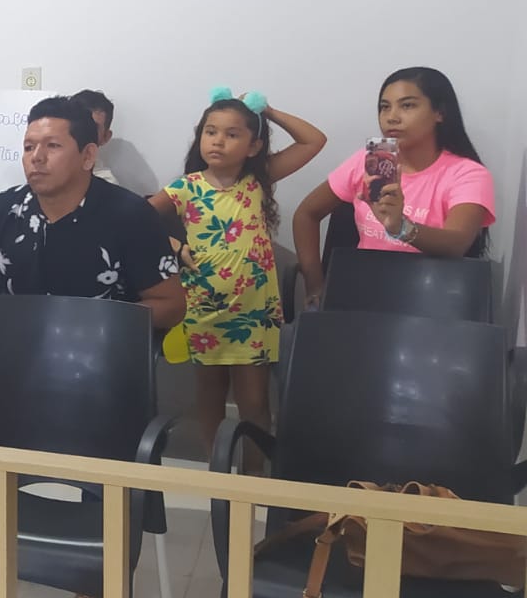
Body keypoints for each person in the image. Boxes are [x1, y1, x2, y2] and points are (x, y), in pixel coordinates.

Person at [0, 97, 184, 598]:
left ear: (87, 155)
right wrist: (16, 323)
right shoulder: (2, 209)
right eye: (29, 146)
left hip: (99, 366)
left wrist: (91, 328)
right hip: (14, 359)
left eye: (52, 145)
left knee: (112, 440)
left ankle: (99, 578)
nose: (36, 157)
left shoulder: (129, 215)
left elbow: (171, 303)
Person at [146, 89, 326, 474]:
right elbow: (136, 221)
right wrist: (175, 246)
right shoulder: (186, 187)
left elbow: (313, 141)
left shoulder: (257, 180)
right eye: (210, 132)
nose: (218, 141)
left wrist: (268, 111)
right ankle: (218, 475)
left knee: (255, 402)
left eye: (232, 134)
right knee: (209, 396)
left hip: (253, 314)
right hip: (204, 310)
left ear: (253, 145)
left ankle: (252, 478)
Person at [293, 67, 496, 307]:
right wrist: (315, 285)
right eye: (384, 107)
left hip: (433, 299)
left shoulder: (467, 174)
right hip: (362, 294)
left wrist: (401, 227)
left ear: (440, 113)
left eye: (407, 105)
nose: (392, 117)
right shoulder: (368, 162)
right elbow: (306, 214)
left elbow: (457, 243)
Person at [71, 89, 118, 185]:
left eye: (93, 127)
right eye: (78, 124)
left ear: (105, 137)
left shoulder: (106, 185)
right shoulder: (41, 163)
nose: (83, 132)